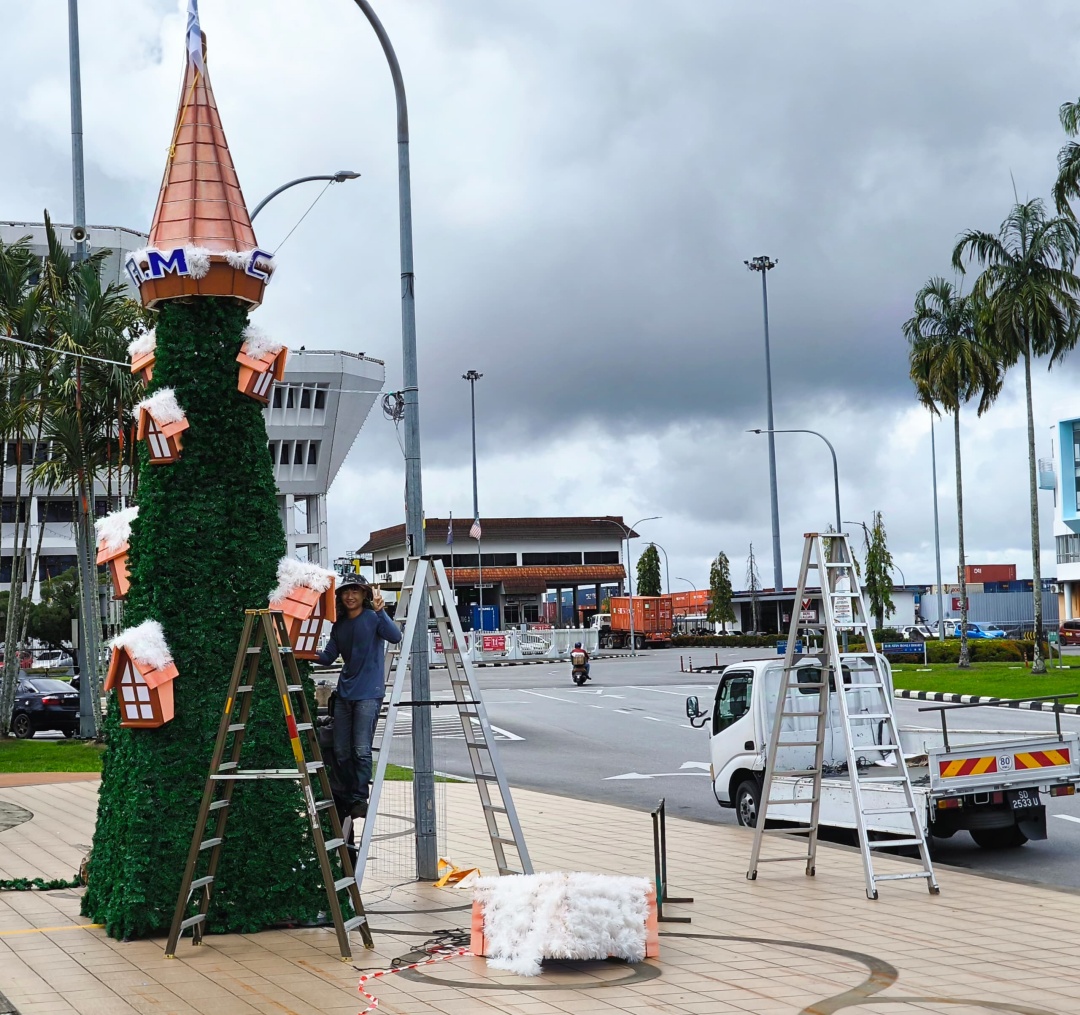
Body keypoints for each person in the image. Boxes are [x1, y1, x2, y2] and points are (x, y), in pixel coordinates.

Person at [316, 575, 402, 820]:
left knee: (361, 749)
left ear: (364, 594)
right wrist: (301, 652)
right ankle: (347, 794)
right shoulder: (340, 625)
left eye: (356, 591)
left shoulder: (373, 618)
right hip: (344, 694)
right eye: (346, 592)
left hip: (369, 694)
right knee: (342, 749)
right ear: (340, 596)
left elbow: (395, 637)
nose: (350, 596)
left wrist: (380, 610)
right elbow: (328, 657)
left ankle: (359, 797)